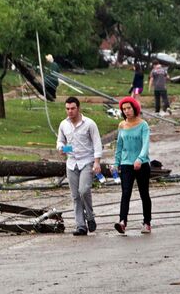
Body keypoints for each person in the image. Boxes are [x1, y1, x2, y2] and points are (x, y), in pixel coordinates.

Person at [56, 96, 103, 236]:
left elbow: (97, 143)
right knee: (75, 196)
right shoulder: (63, 124)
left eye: (72, 108)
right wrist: (61, 147)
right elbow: (60, 141)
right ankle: (80, 225)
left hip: (87, 161)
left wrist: (97, 162)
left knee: (83, 190)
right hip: (71, 163)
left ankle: (90, 216)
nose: (70, 111)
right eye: (67, 109)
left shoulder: (89, 124)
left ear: (78, 108)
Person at [113, 96, 152, 234]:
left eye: (129, 108)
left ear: (135, 108)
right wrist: (116, 163)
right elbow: (119, 146)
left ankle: (147, 222)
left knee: (144, 193)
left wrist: (140, 159)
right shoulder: (121, 125)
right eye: (124, 109)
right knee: (126, 192)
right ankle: (122, 222)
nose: (127, 111)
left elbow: (146, 144)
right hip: (126, 164)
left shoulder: (143, 125)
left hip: (142, 164)